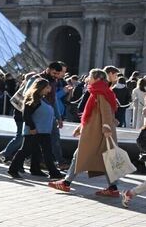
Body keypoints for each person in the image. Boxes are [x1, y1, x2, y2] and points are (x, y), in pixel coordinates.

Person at [49, 69, 121, 197]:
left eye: (90, 76)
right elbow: (94, 112)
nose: (88, 78)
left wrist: (106, 127)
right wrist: (81, 127)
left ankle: (66, 183)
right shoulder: (101, 90)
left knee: (82, 155)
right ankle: (113, 187)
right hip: (96, 131)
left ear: (97, 78)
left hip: (97, 132)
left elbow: (105, 110)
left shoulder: (100, 91)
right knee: (106, 159)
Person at [6, 79, 62, 180]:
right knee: (26, 150)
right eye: (47, 87)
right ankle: (13, 169)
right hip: (34, 131)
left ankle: (48, 171)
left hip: (43, 131)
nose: (49, 90)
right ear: (41, 87)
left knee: (45, 152)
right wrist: (32, 127)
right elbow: (26, 115)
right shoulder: (32, 99)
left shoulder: (42, 98)